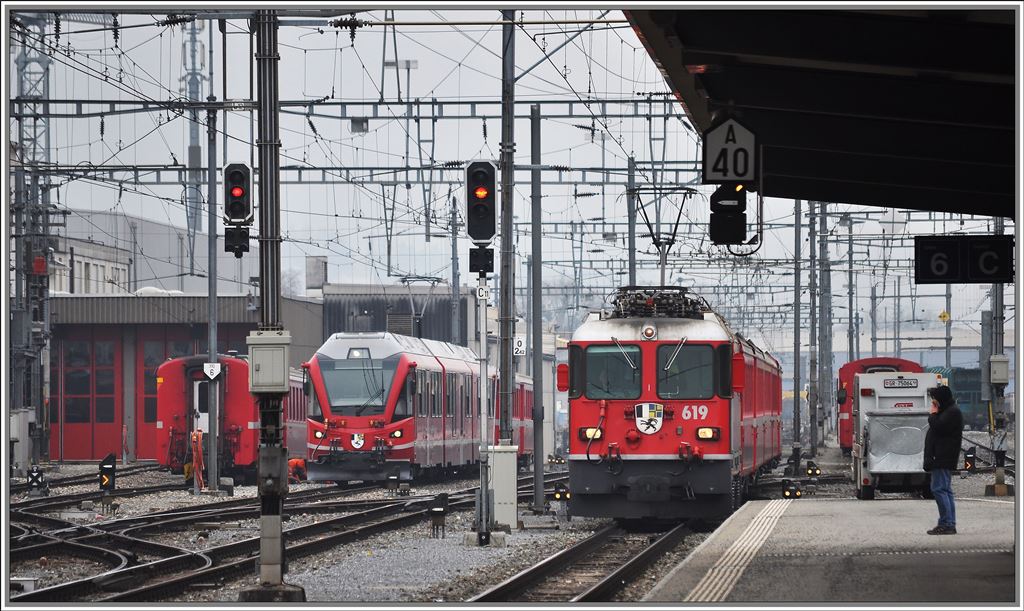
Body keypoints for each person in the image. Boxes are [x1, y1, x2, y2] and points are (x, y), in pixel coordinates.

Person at [923, 385, 963, 535]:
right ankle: (948, 522)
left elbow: (939, 427)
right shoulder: (949, 411)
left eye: (935, 400)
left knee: (939, 489)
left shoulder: (951, 412)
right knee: (945, 490)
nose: (933, 403)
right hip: (943, 456)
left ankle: (947, 523)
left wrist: (932, 414)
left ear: (940, 399)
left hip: (942, 457)